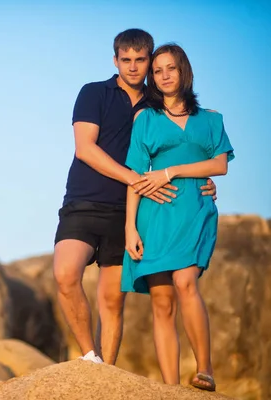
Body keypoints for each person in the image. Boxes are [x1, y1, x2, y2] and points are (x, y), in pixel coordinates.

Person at [53, 28, 218, 366]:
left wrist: (204, 181)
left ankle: (106, 373)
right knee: (65, 274)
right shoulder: (94, 93)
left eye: (140, 60)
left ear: (149, 61)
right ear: (115, 60)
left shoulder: (159, 107)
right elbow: (85, 148)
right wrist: (134, 177)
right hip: (84, 202)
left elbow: (181, 150)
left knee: (112, 301)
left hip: (130, 212)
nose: (132, 67)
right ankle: (89, 356)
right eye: (125, 60)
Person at [122, 43, 234, 392]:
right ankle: (170, 388)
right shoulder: (146, 119)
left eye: (170, 68)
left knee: (186, 283)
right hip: (155, 215)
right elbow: (137, 176)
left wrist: (170, 171)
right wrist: (129, 227)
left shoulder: (211, 118)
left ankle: (206, 369)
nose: (164, 75)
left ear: (185, 71)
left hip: (194, 210)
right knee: (161, 301)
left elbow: (219, 165)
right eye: (157, 71)